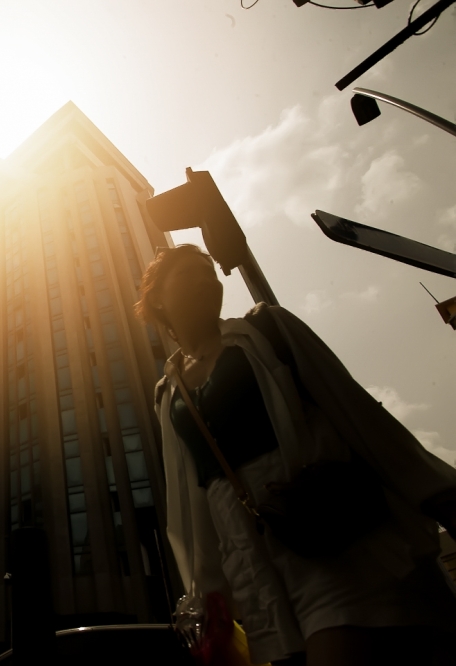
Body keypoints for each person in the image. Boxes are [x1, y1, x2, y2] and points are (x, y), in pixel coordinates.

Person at [136, 244, 456, 666]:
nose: (207, 280)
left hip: (327, 531)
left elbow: (355, 412)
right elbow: (193, 506)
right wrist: (209, 598)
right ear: (158, 298)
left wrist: (436, 492)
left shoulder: (267, 330)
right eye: (189, 274)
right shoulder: (168, 391)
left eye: (210, 271)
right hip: (254, 564)